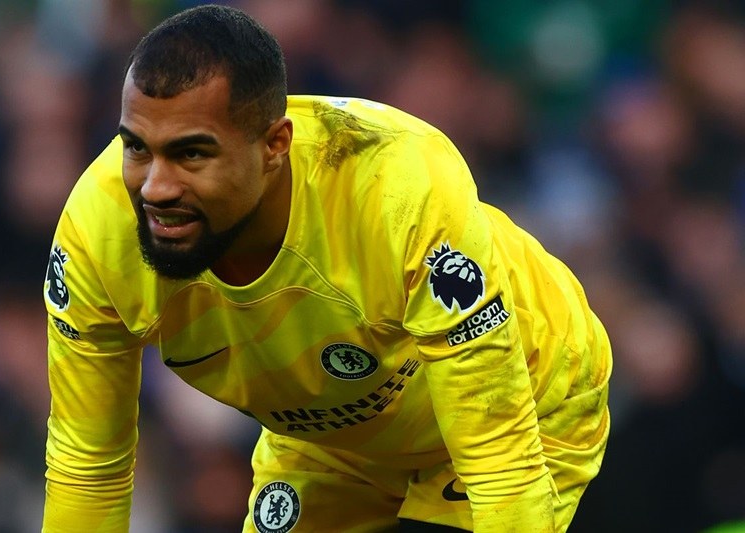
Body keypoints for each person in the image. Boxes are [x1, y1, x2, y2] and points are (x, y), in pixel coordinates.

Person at [41, 4, 612, 532]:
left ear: (275, 145)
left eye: (192, 153)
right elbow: (88, 468)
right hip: (332, 446)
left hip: (524, 399)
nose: (155, 188)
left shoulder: (395, 191)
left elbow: (500, 461)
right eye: (137, 148)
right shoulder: (97, 237)